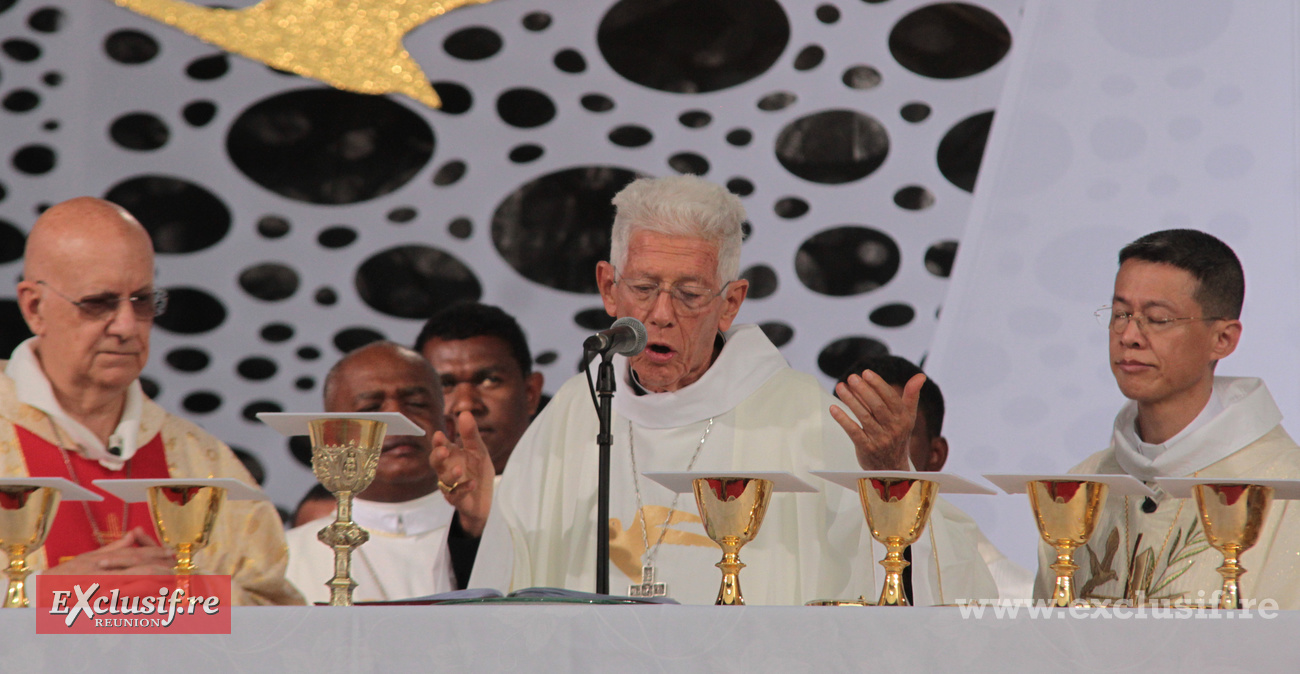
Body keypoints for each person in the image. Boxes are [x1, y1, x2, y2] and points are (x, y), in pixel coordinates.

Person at [462, 175, 998, 605]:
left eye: (691, 294)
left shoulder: (803, 420)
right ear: (608, 287)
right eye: (644, 288)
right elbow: (507, 588)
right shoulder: (575, 415)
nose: (661, 315)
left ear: (731, 302)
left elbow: (927, 587)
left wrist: (888, 477)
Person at [0, 197, 300, 604]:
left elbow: (281, 621)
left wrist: (198, 599)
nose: (127, 326)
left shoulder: (203, 464)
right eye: (99, 303)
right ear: (34, 307)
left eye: (142, 301)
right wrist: (43, 596)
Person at [1034, 229, 1300, 608]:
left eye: (1157, 319)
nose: (1129, 335)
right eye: (1121, 314)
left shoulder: (1287, 489)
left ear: (1222, 339)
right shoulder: (1086, 483)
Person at [284, 342, 492, 603]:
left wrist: (479, 528)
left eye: (416, 403)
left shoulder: (503, 537)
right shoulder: (282, 556)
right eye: (371, 409)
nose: (397, 418)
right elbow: (216, 633)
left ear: (448, 427)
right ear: (330, 437)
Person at [849, 355, 1032, 601]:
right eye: (854, 430)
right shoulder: (801, 536)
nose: (868, 446)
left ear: (936, 455)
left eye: (890, 431)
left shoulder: (1007, 590)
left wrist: (891, 471)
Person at [414, 303, 544, 475]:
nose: (466, 404)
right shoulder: (391, 497)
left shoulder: (578, 488)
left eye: (490, 380)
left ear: (530, 393)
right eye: (444, 385)